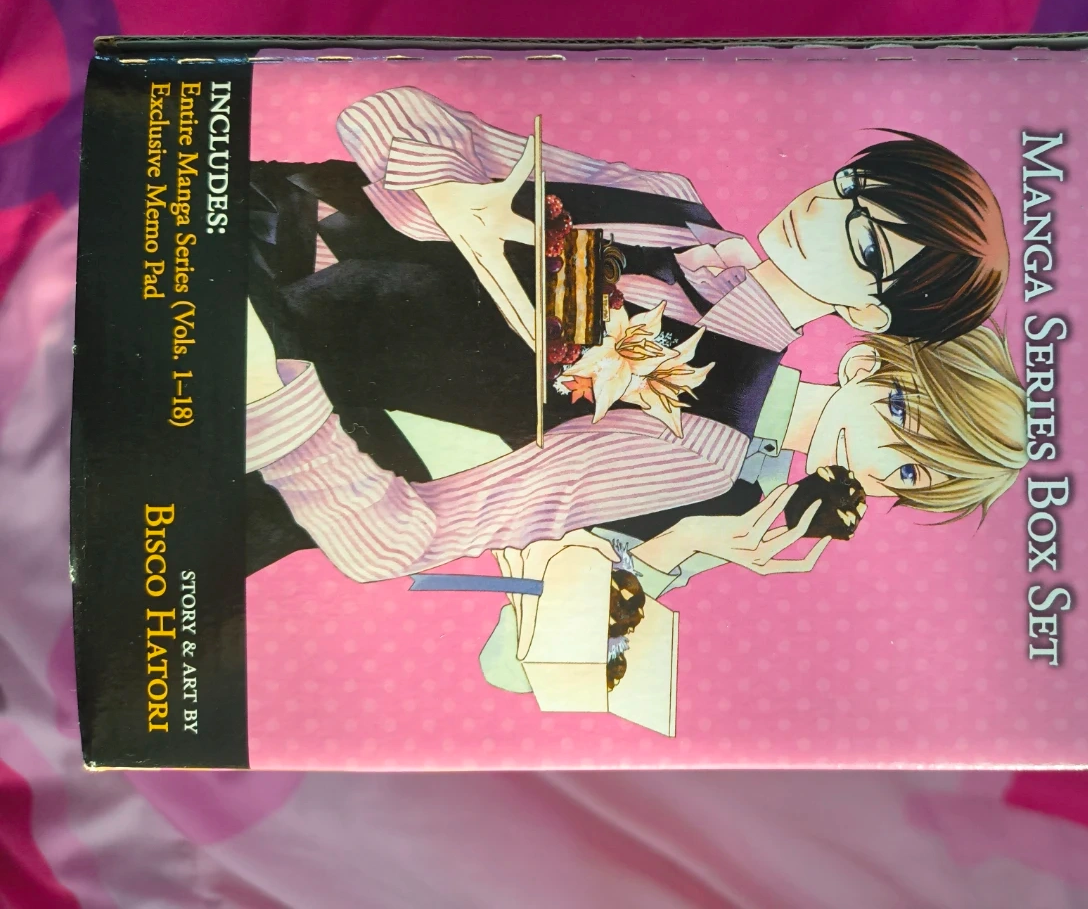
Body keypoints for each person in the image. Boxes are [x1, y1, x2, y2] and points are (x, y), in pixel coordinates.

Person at [245, 86, 1011, 571]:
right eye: (849, 187)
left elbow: (405, 540)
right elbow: (391, 113)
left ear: (870, 319)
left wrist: (270, 392)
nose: (821, 208)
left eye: (866, 246)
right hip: (241, 214)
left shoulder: (703, 443)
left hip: (241, 390)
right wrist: (445, 193)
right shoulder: (668, 205)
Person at [245, 307, 1026, 589]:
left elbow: (585, 624)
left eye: (910, 470)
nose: (883, 455)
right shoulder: (726, 332)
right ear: (863, 364)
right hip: (314, 370)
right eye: (901, 410)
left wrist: (682, 543)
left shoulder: (741, 496)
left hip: (309, 448)